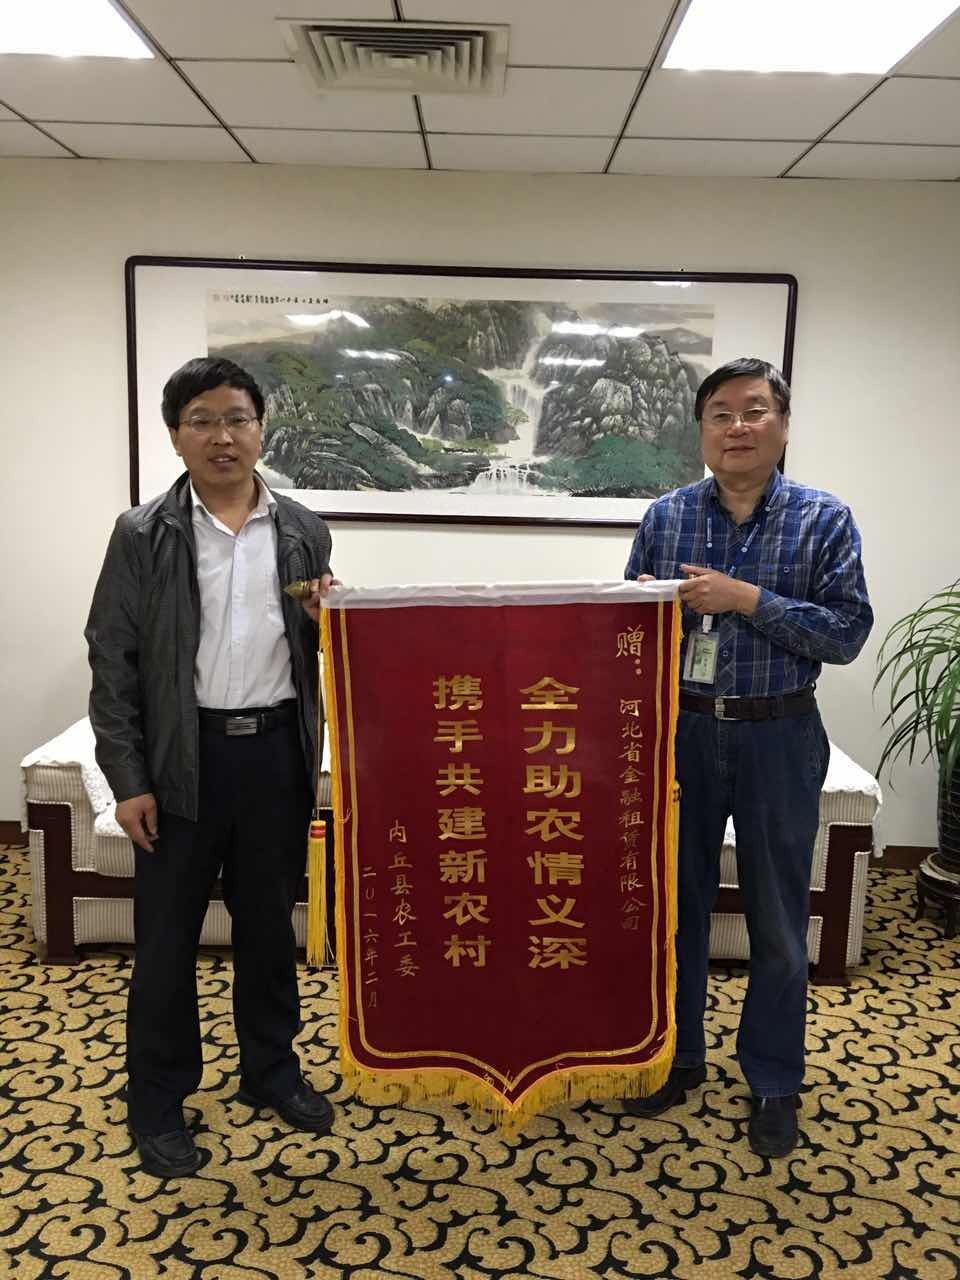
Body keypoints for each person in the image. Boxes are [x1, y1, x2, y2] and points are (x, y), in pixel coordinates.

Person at [86, 356, 337, 1178]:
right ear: (176, 435)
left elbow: (319, 646)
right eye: (202, 420)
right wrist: (129, 780)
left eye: (237, 418)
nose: (222, 436)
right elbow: (113, 661)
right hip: (181, 759)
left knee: (268, 929)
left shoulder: (302, 530)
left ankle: (271, 1070)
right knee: (167, 941)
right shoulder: (143, 533)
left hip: (275, 756)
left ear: (261, 429)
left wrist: (329, 618)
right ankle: (158, 1099)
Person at [622, 356, 873, 1157]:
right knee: (673, 908)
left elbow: (846, 633)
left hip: (780, 735)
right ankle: (676, 1057)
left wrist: (748, 600)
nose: (738, 427)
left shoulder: (823, 519)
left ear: (783, 426)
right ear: (702, 430)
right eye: (721, 413)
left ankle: (772, 1079)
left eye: (755, 411)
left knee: (777, 920)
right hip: (683, 734)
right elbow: (628, 630)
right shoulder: (666, 517)